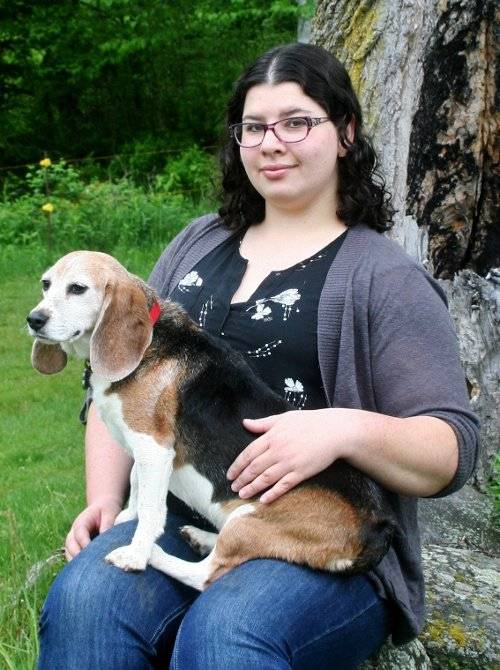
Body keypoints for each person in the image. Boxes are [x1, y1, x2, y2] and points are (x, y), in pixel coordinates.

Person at [37, 43, 479, 670]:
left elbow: (451, 451)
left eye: (297, 121)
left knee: (227, 631)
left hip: (323, 535)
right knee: (85, 601)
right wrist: (107, 498)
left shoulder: (384, 279)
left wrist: (340, 428)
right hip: (185, 514)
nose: (272, 142)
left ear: (346, 133)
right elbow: (115, 379)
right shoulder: (196, 244)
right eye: (253, 126)